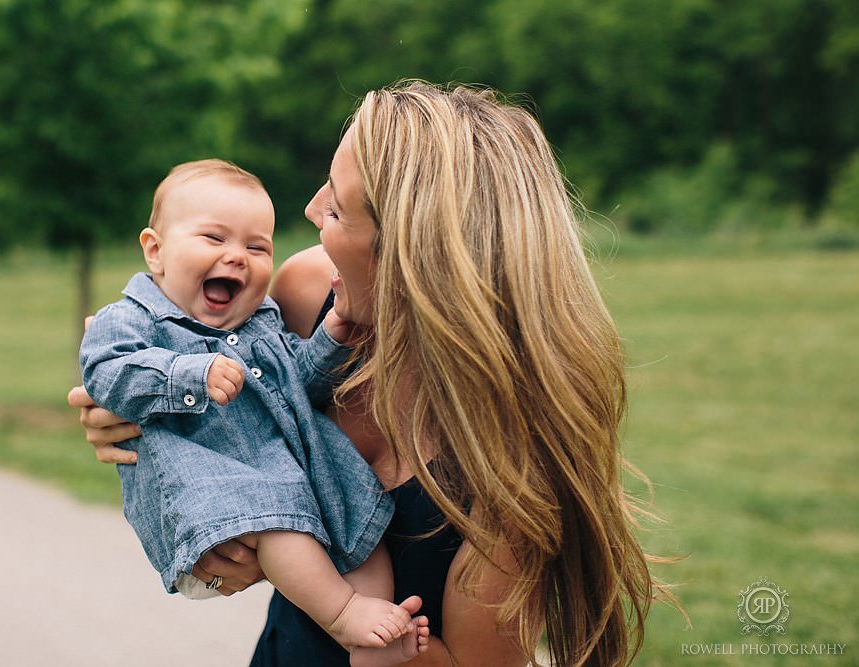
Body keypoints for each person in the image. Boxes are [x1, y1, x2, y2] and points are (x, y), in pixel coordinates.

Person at [69, 81, 672, 666]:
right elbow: (227, 402)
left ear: (404, 248)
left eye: (334, 204)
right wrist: (120, 415)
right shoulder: (304, 295)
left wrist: (376, 635)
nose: (308, 211)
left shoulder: (509, 466)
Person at [78, 159, 429, 661]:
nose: (237, 257)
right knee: (282, 529)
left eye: (256, 246)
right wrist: (187, 374)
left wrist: (328, 340)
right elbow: (107, 373)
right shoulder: (131, 320)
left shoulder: (261, 319)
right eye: (214, 239)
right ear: (155, 250)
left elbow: (297, 385)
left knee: (361, 520)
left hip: (289, 468)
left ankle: (374, 638)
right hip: (220, 480)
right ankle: (345, 617)